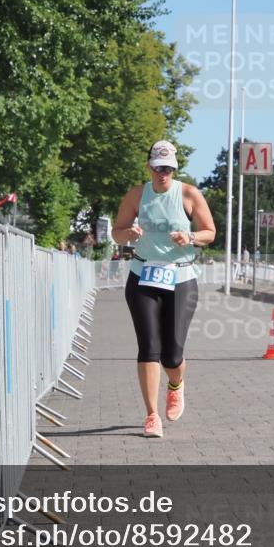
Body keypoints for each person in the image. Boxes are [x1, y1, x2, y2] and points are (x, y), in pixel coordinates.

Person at [112, 140, 216, 438]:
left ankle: (175, 385)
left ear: (174, 168)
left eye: (168, 168)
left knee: (172, 355)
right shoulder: (136, 196)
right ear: (149, 167)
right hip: (143, 275)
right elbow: (116, 232)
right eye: (158, 168)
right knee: (149, 347)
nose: (163, 174)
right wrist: (127, 233)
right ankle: (151, 415)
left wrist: (191, 237)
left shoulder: (188, 194)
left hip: (181, 278)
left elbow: (210, 232)